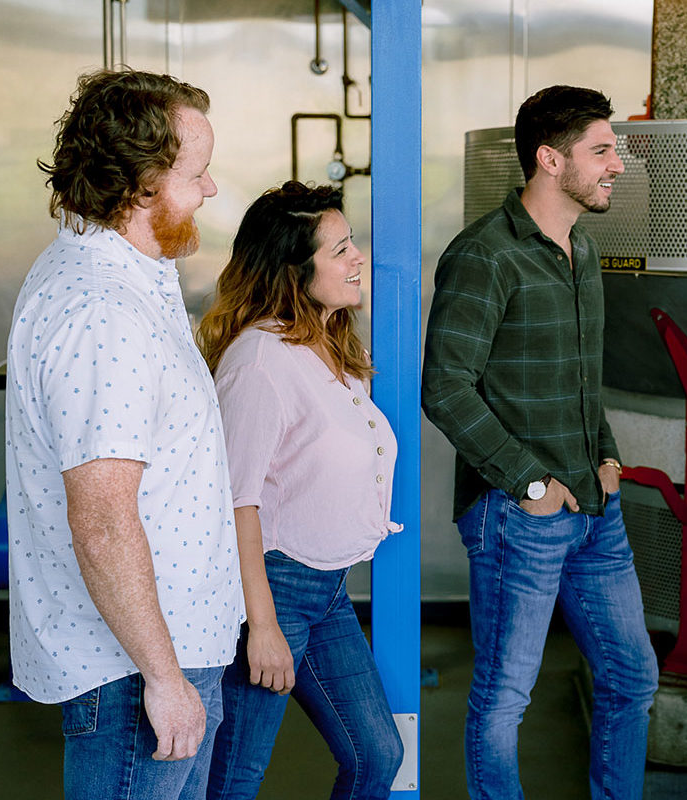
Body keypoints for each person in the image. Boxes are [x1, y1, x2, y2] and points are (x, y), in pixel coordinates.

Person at [4, 69, 243, 800]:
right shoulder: (102, 312)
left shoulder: (133, 279)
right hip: (138, 668)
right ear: (140, 186)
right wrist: (165, 677)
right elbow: (104, 520)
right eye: (196, 174)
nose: (208, 189)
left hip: (169, 646)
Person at [422, 85, 660, 800]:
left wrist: (608, 455)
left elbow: (585, 379)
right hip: (519, 516)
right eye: (602, 150)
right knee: (503, 701)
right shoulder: (486, 257)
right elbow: (446, 388)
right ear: (550, 160)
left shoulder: (581, 251)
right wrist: (530, 485)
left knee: (632, 677)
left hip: (593, 507)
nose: (617, 164)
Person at [197, 182, 404, 799]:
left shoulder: (325, 342)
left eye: (352, 244)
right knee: (233, 779)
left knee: (378, 755)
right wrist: (262, 626)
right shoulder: (259, 361)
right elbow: (237, 501)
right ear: (295, 270)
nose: (358, 258)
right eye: (339, 250)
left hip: (326, 588)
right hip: (273, 589)